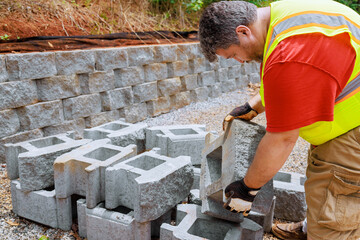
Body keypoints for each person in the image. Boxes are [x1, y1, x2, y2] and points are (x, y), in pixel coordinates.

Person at [199, 0, 360, 239]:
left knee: (337, 197)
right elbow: (297, 79)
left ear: (243, 31)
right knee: (328, 191)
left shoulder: (287, 55)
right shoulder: (285, 15)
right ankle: (311, 227)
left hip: (351, 133)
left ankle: (327, 230)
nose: (240, 61)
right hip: (348, 118)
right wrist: (251, 106)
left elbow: (282, 139)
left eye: (234, 54)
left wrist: (247, 189)